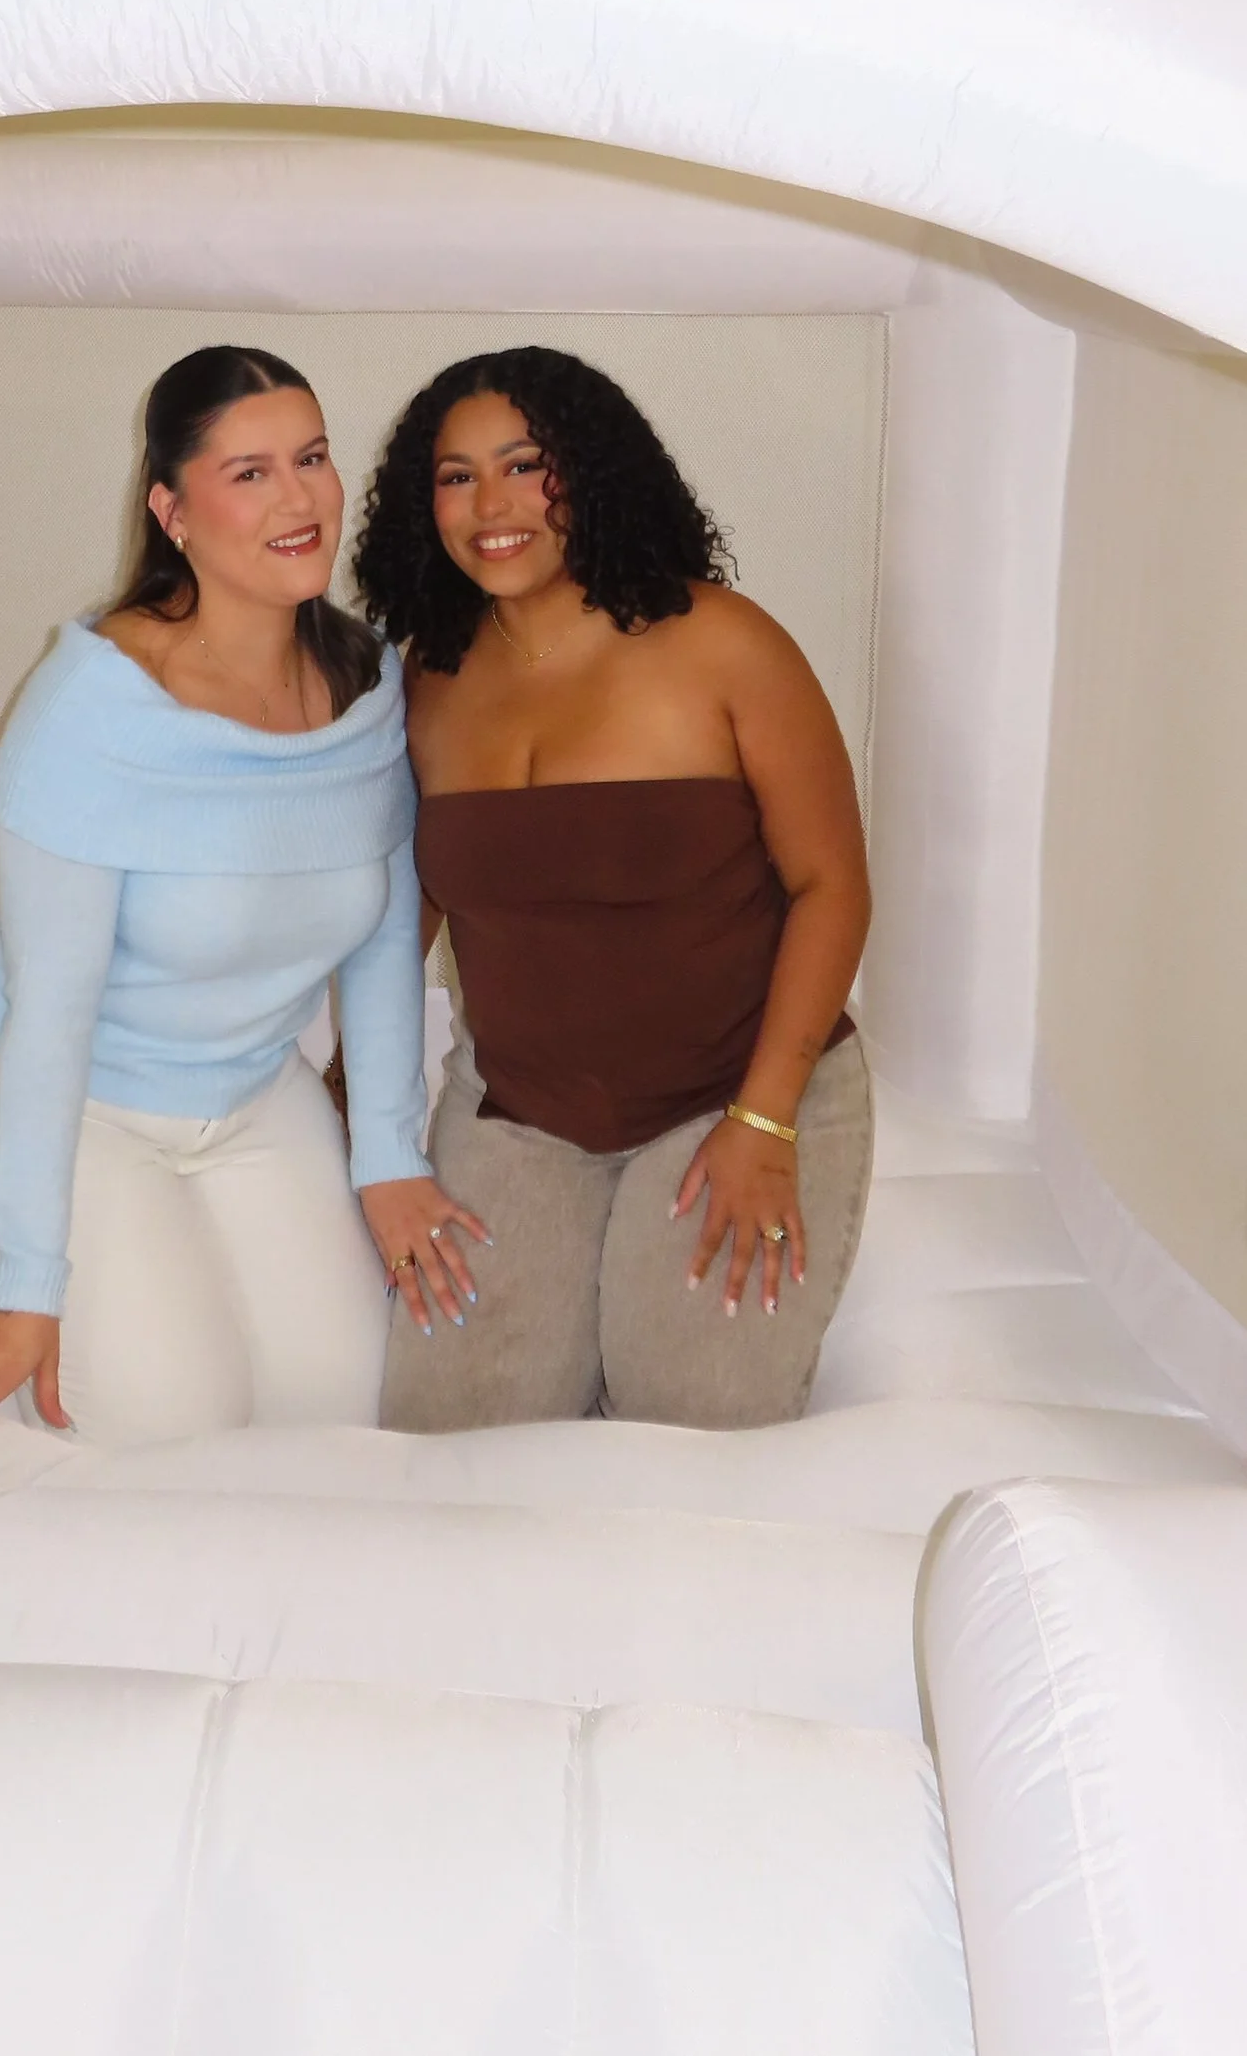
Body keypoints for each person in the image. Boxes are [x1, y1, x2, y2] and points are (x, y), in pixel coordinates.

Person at [0, 344, 481, 1448]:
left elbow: (384, 941)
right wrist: (24, 1279)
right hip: (58, 1092)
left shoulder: (364, 685)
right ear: (172, 509)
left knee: (351, 1406)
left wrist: (390, 1157)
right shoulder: (94, 709)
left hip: (250, 1087)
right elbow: (52, 1011)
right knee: (170, 1423)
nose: (298, 497)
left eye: (309, 458)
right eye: (249, 473)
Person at [352, 346, 872, 1431]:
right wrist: (363, 1109)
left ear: (590, 474)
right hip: (518, 1115)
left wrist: (765, 1123)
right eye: (454, 476)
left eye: (525, 465)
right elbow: (398, 924)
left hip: (733, 1097)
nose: (490, 506)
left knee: (691, 1420)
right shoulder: (421, 682)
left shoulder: (725, 643)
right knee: (451, 1440)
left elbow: (832, 886)